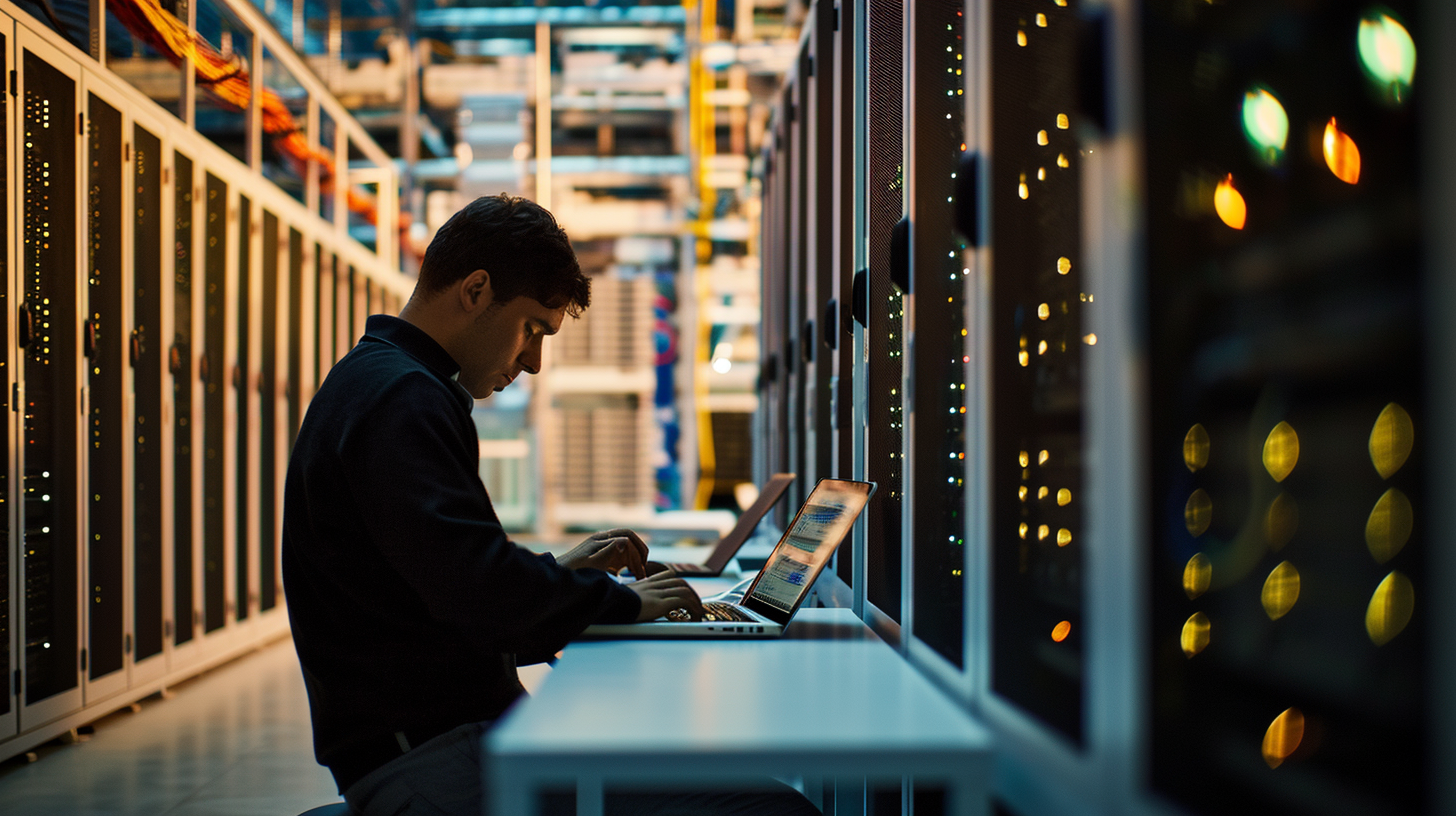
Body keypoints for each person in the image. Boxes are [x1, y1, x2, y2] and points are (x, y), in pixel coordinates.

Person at [283, 194, 819, 816]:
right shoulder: (402, 399)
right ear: (477, 290)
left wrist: (558, 576)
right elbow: (476, 596)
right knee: (771, 809)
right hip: (436, 765)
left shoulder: (382, 381)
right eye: (533, 329)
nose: (534, 362)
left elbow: (434, 581)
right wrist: (620, 600)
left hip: (439, 744)